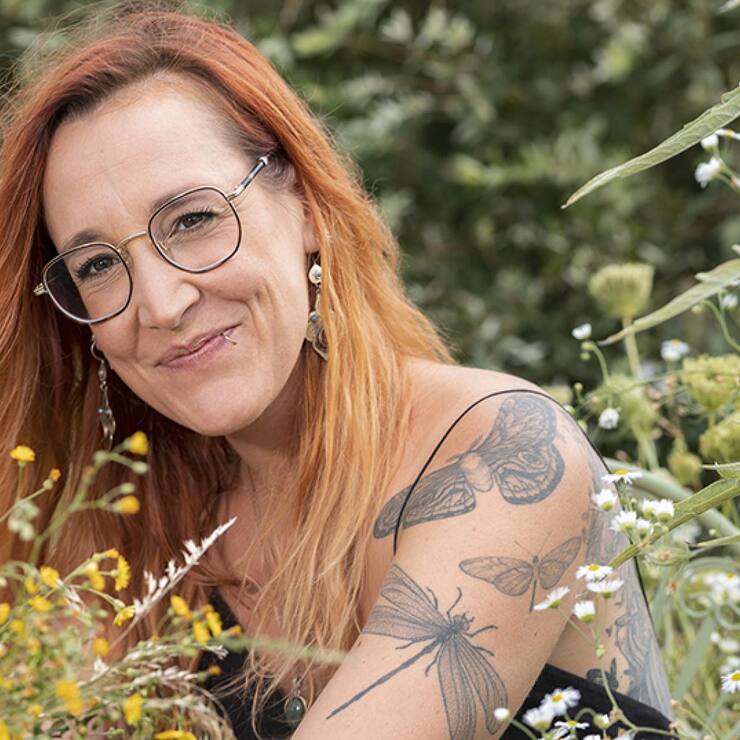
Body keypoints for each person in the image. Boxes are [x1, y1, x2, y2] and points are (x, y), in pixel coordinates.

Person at [0, 4, 676, 738]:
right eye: (98, 265)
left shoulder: (502, 451)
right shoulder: (123, 540)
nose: (161, 304)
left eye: (193, 220)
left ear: (304, 206)